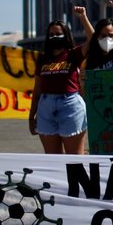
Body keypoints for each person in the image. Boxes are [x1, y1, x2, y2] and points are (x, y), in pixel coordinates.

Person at [28, 8, 93, 155]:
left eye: (58, 34)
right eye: (51, 34)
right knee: (53, 159)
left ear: (66, 35)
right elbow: (37, 89)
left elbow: (93, 39)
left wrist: (83, 17)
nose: (54, 37)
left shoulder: (74, 54)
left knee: (75, 159)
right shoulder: (43, 59)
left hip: (70, 105)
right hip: (46, 106)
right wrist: (32, 116)